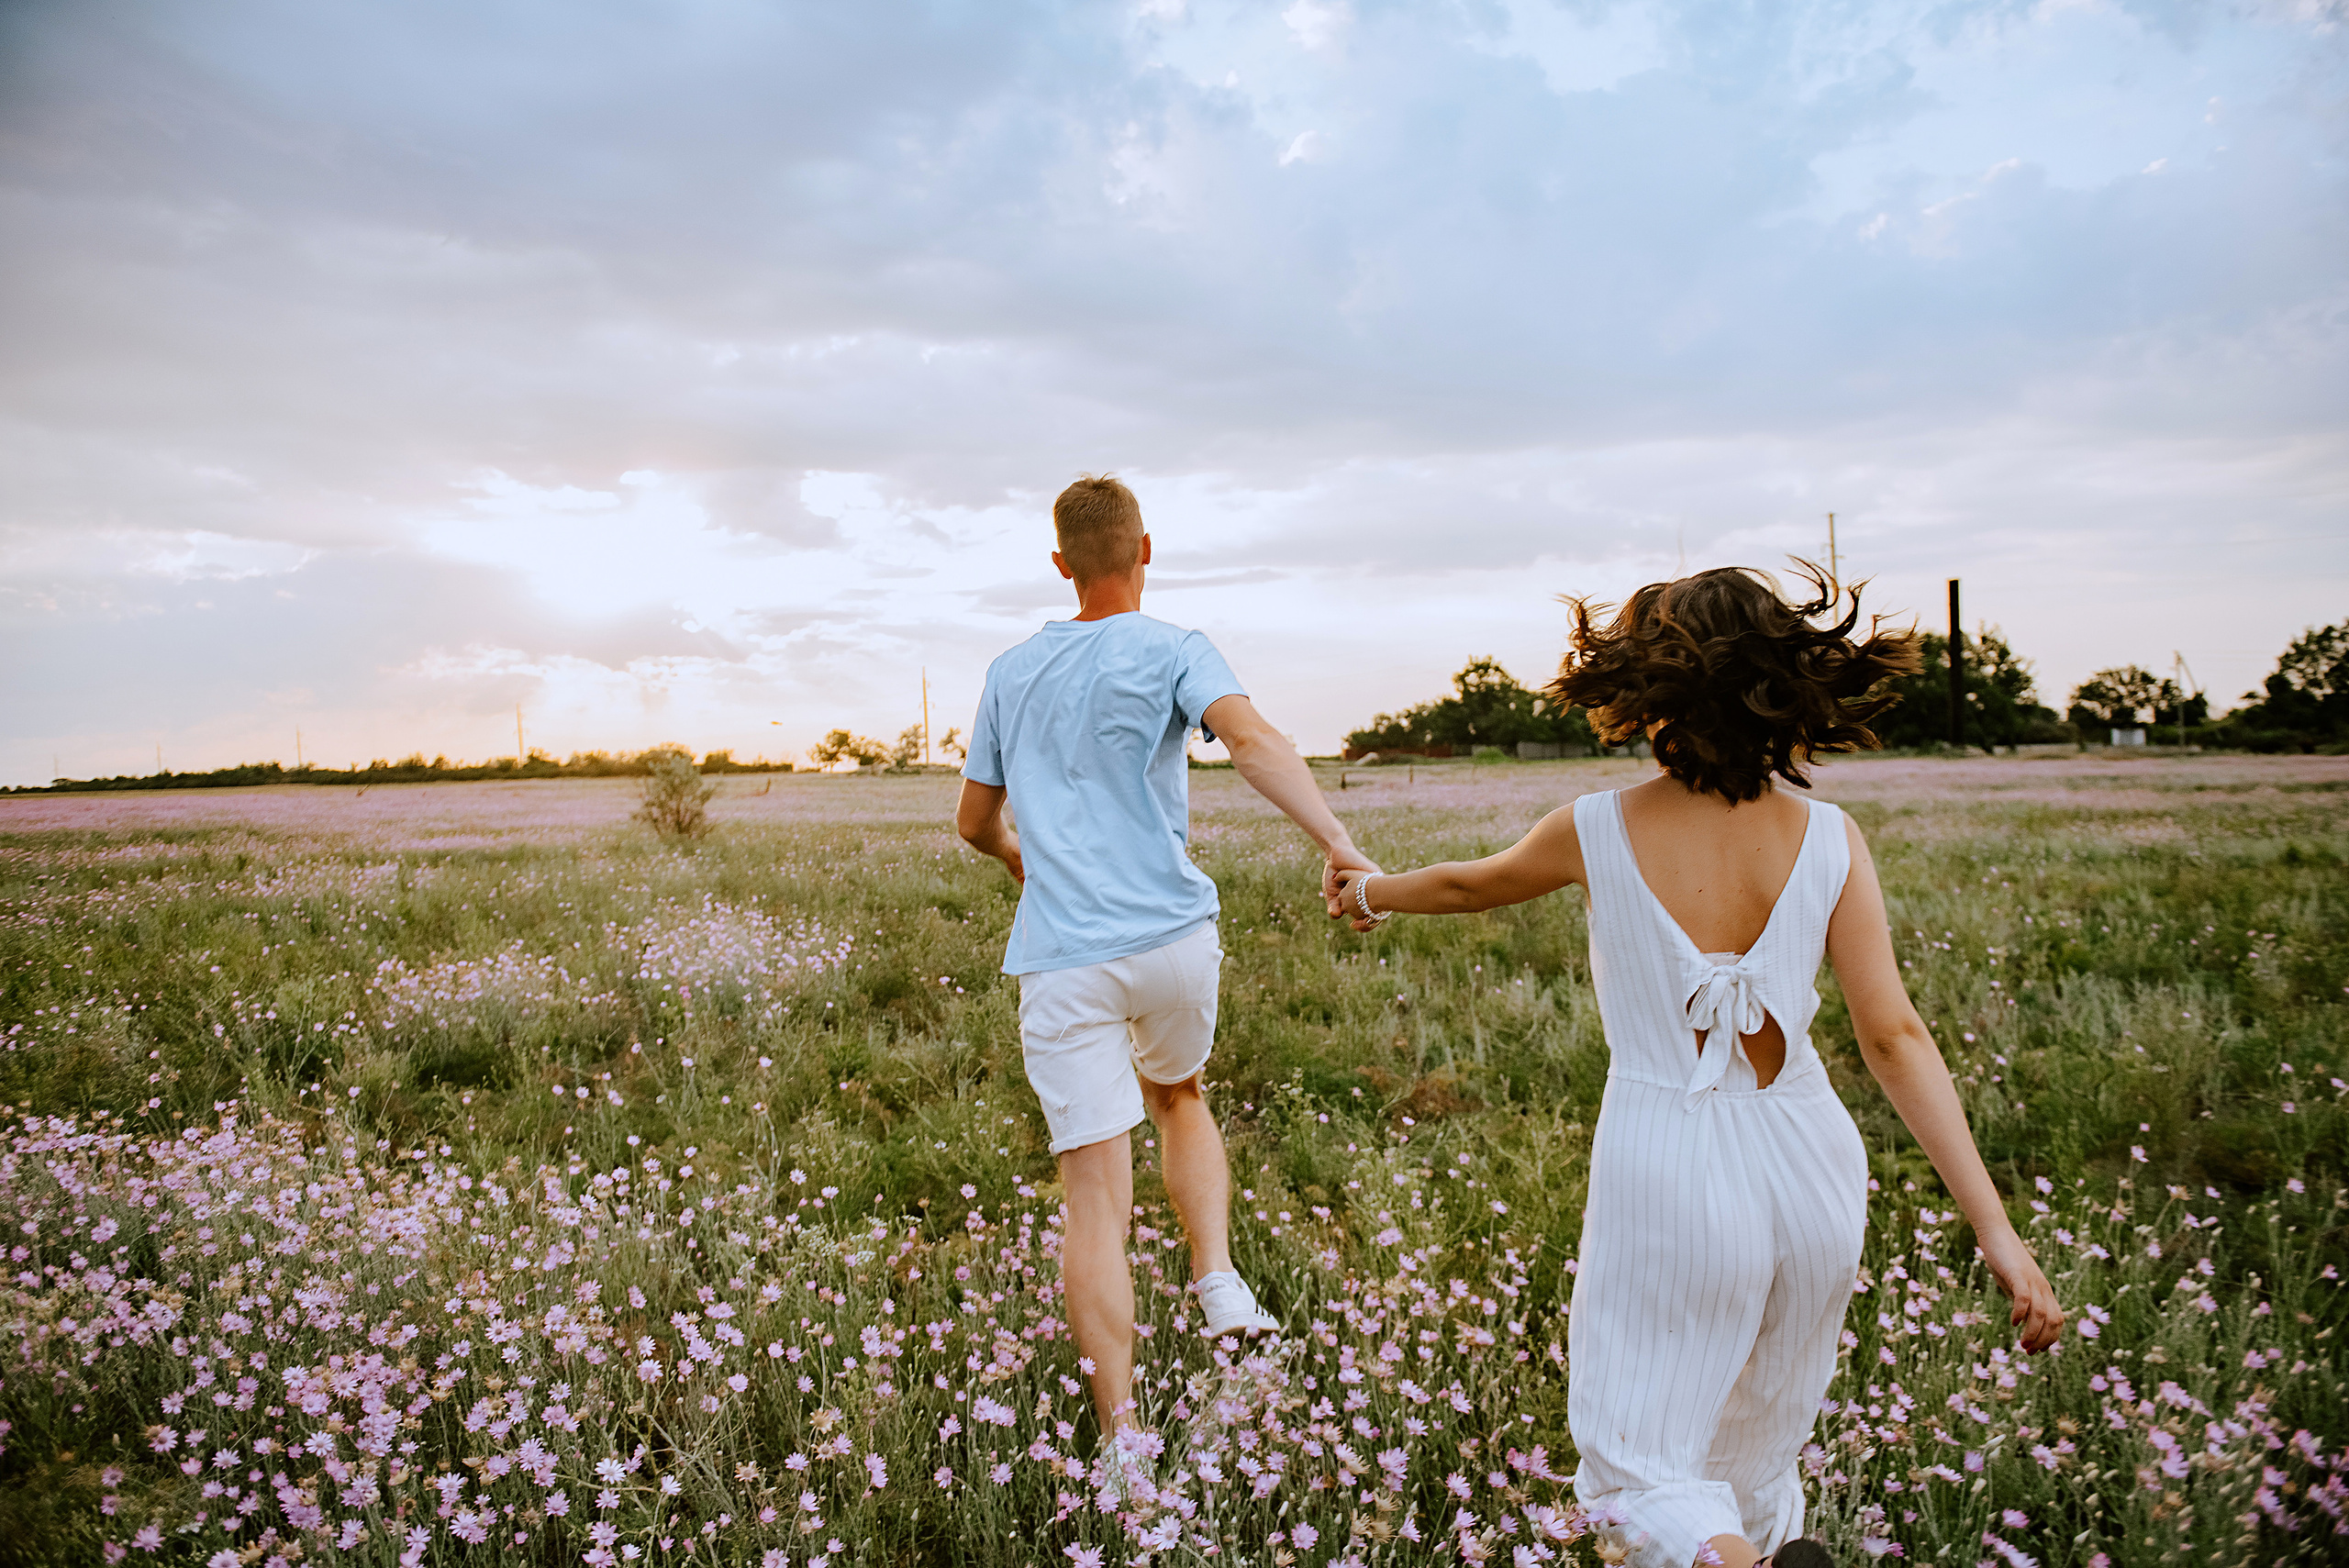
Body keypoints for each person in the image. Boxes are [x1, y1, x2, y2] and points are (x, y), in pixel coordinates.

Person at [1327, 566, 2064, 1568]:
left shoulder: (1592, 827)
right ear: (1785, 685)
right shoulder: (1832, 840)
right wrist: (1997, 1229)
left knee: (1638, 1468)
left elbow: (1466, 884)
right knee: (1754, 1461)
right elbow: (1895, 1037)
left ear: (1650, 692)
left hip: (1670, 1159)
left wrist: (1368, 891)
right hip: (1809, 1167)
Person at [955, 473, 1377, 1452]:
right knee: (1180, 1092)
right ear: (1146, 550)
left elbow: (974, 820)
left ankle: (1120, 1443)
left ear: (1060, 563)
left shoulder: (1010, 670)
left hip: (1065, 959)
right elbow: (1253, 740)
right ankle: (1218, 1279)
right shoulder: (1176, 646)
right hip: (1174, 942)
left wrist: (1024, 856)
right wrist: (1337, 844)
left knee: (1094, 1195)